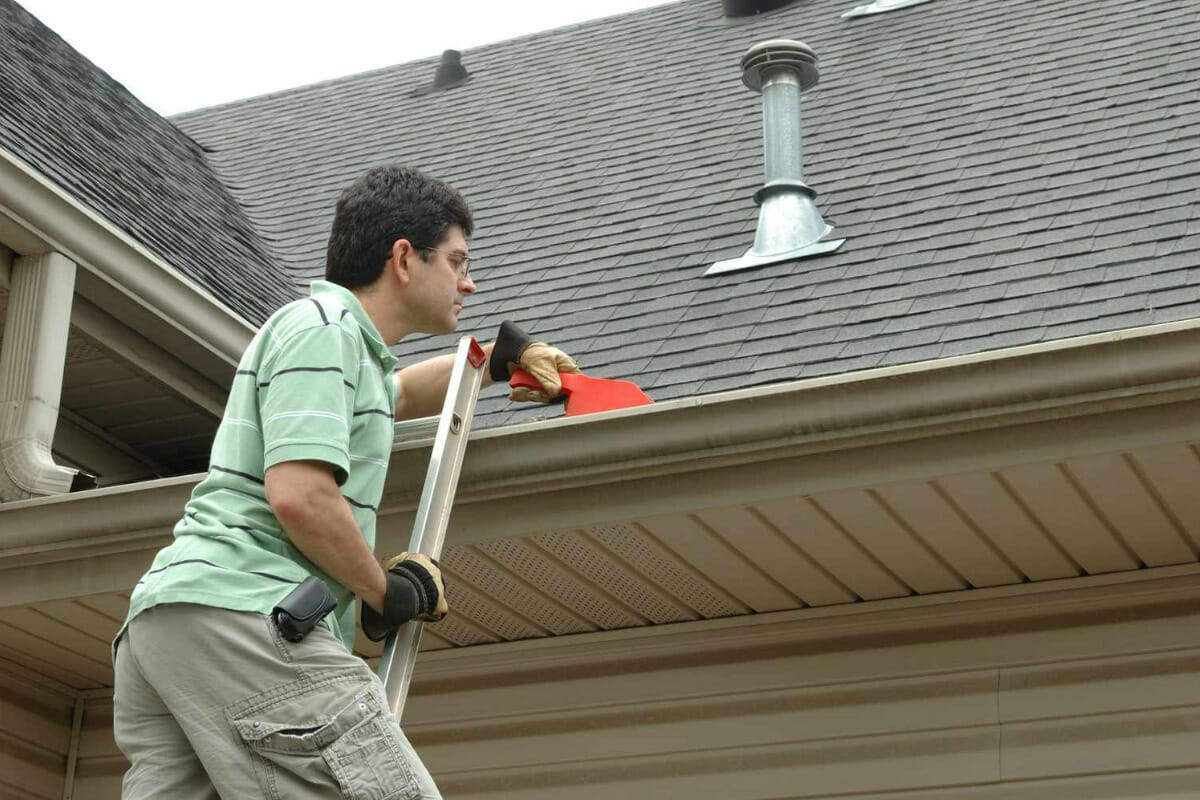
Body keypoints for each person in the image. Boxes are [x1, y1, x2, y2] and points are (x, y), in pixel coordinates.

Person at [112, 164, 579, 799]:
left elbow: (398, 392)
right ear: (405, 259)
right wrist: (383, 589)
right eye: (459, 261)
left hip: (173, 624)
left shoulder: (339, 344)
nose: (470, 282)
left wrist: (493, 361)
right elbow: (300, 494)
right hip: (246, 612)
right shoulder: (323, 329)